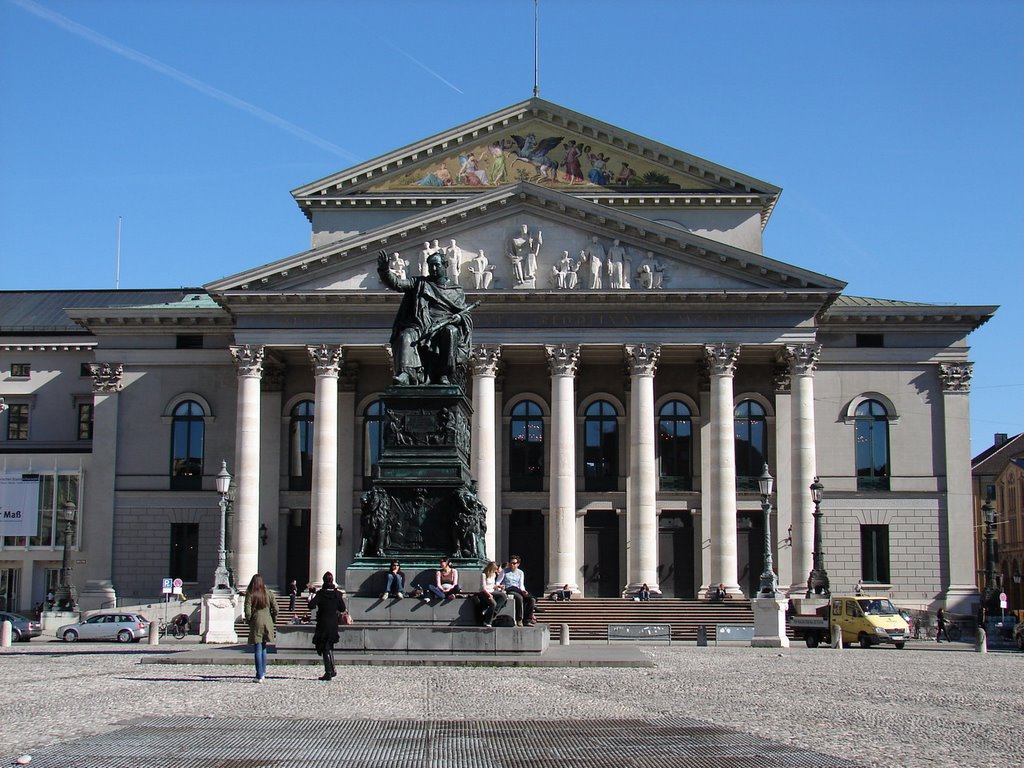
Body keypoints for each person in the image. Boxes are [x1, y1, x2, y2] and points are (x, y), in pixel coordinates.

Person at [377, 248, 473, 386]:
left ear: (445, 266)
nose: (433, 269)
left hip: (444, 326)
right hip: (421, 325)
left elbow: (465, 315)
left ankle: (444, 374)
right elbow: (396, 283)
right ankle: (406, 373)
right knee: (406, 335)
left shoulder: (456, 290)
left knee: (451, 332)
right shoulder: (419, 283)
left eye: (437, 265)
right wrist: (384, 271)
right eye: (430, 266)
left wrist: (458, 319)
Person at [310, 571, 346, 681]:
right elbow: (342, 609)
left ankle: (328, 672)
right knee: (329, 646)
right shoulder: (337, 594)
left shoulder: (321, 593)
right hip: (333, 623)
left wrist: (312, 595)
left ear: (324, 580)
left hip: (323, 623)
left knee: (325, 647)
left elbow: (311, 605)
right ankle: (333, 669)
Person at [244, 573, 278, 683]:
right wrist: (273, 618)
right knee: (264, 647)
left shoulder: (250, 593)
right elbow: (276, 608)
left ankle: (259, 675)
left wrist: (249, 620)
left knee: (257, 648)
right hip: (267, 620)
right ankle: (263, 673)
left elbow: (247, 610)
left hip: (256, 620)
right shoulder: (268, 593)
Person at [499, 554, 536, 627]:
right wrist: (500, 587)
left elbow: (521, 584)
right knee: (519, 598)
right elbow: (498, 582)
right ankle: (519, 619)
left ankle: (527, 620)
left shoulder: (520, 572)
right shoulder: (504, 571)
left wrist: (524, 591)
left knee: (532, 599)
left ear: (518, 564)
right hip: (509, 589)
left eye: (514, 563)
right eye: (511, 563)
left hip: (518, 589)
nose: (512, 564)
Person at [477, 561, 507, 626]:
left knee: (503, 596)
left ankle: (492, 613)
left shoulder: (493, 575)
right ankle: (487, 622)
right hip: (484, 592)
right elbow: (483, 587)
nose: (496, 570)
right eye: (495, 569)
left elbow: (492, 585)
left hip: (492, 591)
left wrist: (498, 586)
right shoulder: (484, 575)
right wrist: (489, 595)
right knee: (493, 604)